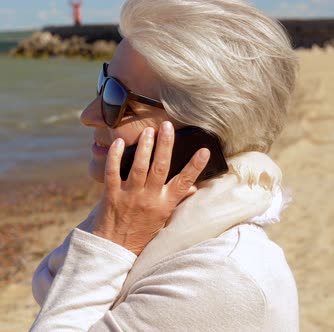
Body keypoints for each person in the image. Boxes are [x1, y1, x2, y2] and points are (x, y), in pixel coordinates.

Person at [30, 0, 299, 331]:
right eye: (104, 83)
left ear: (198, 136)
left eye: (116, 98)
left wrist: (111, 242)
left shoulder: (219, 276)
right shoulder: (172, 235)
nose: (88, 115)